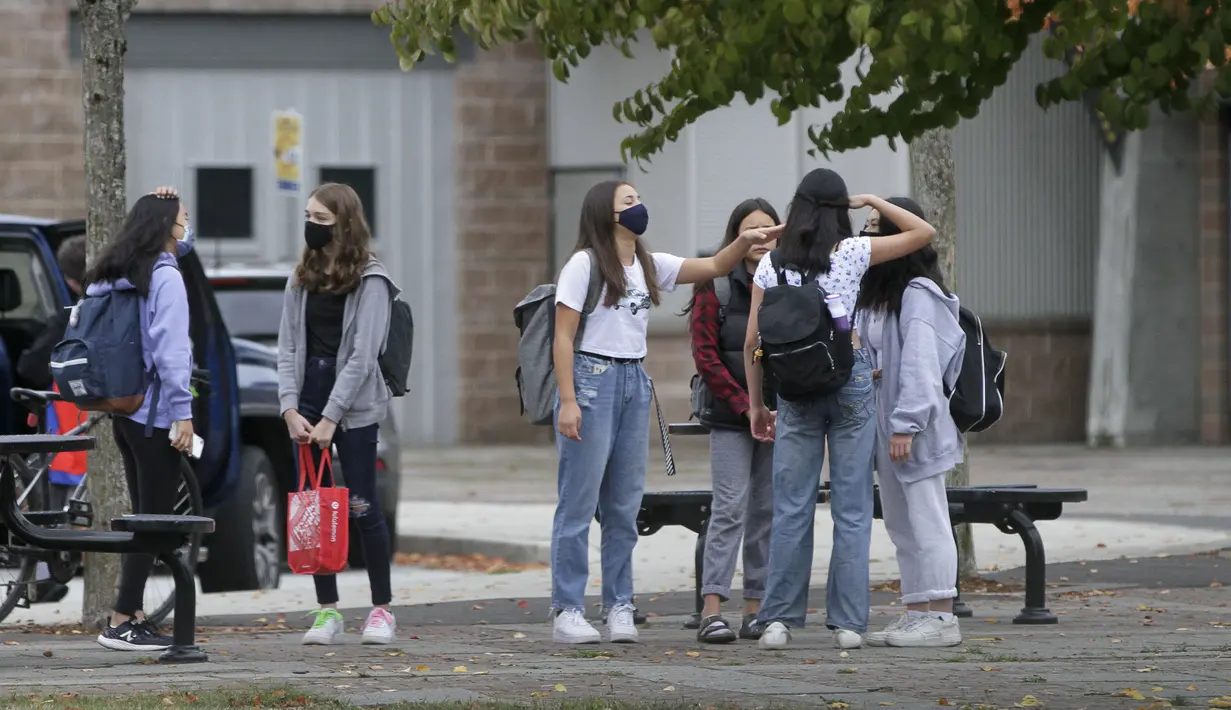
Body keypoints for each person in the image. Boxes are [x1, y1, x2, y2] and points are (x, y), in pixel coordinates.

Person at [550, 180, 775, 644]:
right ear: (605, 214)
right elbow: (563, 337)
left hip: (634, 380)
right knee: (577, 504)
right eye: (628, 202)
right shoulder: (584, 265)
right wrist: (569, 400)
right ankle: (568, 609)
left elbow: (713, 265)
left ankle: (619, 607)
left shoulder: (648, 264)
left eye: (638, 199)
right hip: (592, 379)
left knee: (623, 506)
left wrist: (745, 240)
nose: (639, 208)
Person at [742, 168, 936, 651]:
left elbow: (752, 342)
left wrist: (757, 405)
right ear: (839, 210)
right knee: (851, 509)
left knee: (791, 508)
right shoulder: (851, 253)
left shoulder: (771, 266)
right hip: (848, 380)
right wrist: (871, 198)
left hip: (794, 390)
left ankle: (778, 621)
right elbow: (922, 233)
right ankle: (848, 624)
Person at [277, 182, 400, 646]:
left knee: (362, 505)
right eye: (307, 216)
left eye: (321, 220)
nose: (311, 226)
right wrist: (289, 407)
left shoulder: (372, 279)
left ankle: (381, 609)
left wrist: (332, 417)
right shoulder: (301, 277)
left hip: (354, 407)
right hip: (307, 400)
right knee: (313, 508)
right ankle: (327, 611)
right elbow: (287, 346)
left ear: (344, 225)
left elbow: (363, 355)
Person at [90, 186, 197, 652]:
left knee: (143, 514)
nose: (188, 226)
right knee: (154, 522)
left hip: (124, 410)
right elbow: (173, 353)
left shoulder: (113, 274)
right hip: (155, 414)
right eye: (184, 218)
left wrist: (160, 201)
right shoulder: (166, 278)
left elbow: (179, 246)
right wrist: (184, 414)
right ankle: (121, 621)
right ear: (167, 228)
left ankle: (131, 615)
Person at [855, 198, 965, 648]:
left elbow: (922, 365)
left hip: (912, 428)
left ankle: (942, 617)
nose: (867, 236)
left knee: (928, 518)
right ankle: (917, 609)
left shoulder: (919, 293)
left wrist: (907, 424)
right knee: (902, 524)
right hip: (886, 423)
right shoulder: (879, 295)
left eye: (877, 227)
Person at [682, 198, 781, 643]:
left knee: (766, 511)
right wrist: (746, 405)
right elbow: (706, 356)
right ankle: (712, 610)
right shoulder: (715, 286)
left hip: (780, 418)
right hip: (730, 418)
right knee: (729, 508)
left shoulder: (788, 284)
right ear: (737, 236)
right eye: (751, 229)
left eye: (768, 228)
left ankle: (756, 609)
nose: (761, 237)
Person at [19, 235, 88, 605]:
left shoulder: (66, 317)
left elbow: (29, 365)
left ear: (70, 281)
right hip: (102, 420)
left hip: (64, 425)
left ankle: (45, 574)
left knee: (48, 499)